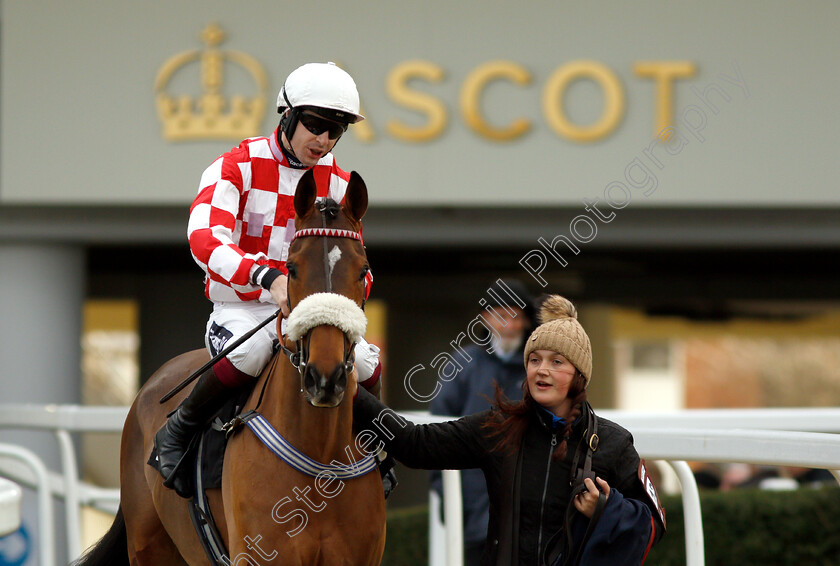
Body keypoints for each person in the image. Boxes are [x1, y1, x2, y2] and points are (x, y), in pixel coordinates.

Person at [153, 62, 382, 498]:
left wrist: (349, 297)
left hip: (309, 310)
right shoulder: (236, 165)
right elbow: (203, 237)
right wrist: (266, 277)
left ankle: (377, 450)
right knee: (255, 350)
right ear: (288, 115)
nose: (325, 140)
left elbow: (351, 258)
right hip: (243, 306)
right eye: (315, 125)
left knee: (368, 362)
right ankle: (179, 430)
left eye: (336, 131)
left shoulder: (337, 179)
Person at [355, 295, 666, 565]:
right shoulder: (498, 427)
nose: (542, 370)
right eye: (534, 359)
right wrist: (355, 395)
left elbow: (655, 522)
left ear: (579, 375)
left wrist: (607, 508)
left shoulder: (613, 442)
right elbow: (415, 443)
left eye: (557, 361)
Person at [430, 279, 536, 566]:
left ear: (526, 320)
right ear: (485, 318)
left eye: (516, 315)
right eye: (501, 315)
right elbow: (437, 434)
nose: (509, 325)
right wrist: (447, 494)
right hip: (475, 511)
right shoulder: (463, 363)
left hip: (532, 515)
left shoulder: (540, 365)